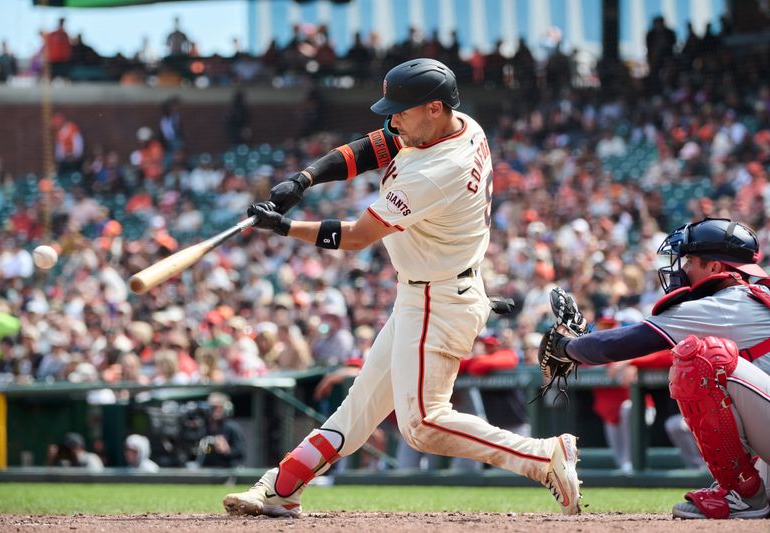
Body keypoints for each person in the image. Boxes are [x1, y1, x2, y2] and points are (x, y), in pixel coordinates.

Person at [223, 58, 581, 518]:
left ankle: (543, 456)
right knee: (359, 409)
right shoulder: (457, 124)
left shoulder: (436, 169)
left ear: (434, 107)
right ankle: (281, 487)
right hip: (432, 290)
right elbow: (374, 146)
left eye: (402, 111)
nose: (392, 120)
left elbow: (356, 236)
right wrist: (304, 179)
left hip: (438, 297)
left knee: (423, 425)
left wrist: (285, 227)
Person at [542, 218, 770, 519]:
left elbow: (618, 345)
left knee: (701, 360)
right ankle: (752, 492)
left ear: (715, 268)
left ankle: (742, 495)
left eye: (689, 259)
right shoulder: (747, 299)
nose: (681, 268)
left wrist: (563, 346)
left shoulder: (726, 304)